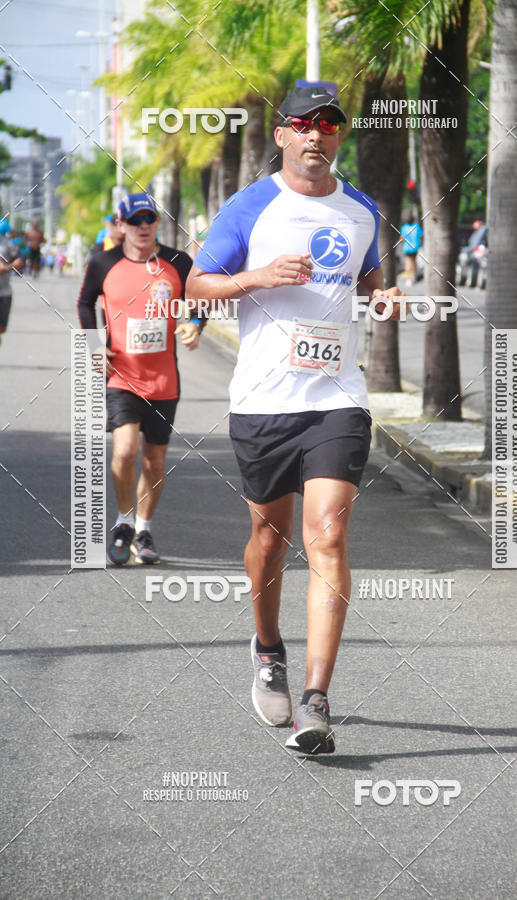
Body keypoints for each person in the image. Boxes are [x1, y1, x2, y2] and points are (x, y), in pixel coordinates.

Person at [186, 86, 402, 755]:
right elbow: (197, 285)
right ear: (281, 134)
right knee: (269, 539)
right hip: (262, 402)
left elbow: (370, 279)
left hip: (336, 398)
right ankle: (268, 645)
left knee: (328, 536)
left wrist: (385, 295)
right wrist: (259, 276)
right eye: (304, 125)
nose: (317, 136)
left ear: (340, 136)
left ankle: (316, 700)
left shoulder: (361, 209)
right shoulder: (252, 205)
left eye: (330, 125)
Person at [77, 192, 206, 566]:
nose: (143, 226)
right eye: (135, 221)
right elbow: (85, 302)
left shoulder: (178, 262)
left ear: (157, 223)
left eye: (149, 219)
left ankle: (144, 529)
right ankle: (123, 522)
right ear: (121, 226)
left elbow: (200, 298)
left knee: (154, 460)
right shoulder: (103, 263)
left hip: (164, 378)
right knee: (124, 451)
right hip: (121, 376)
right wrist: (95, 346)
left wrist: (195, 324)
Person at [0, 220, 24, 345]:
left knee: (2, 328)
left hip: (5, 291)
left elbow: (20, 259)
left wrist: (8, 267)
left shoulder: (7, 244)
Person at [400, 214, 423, 285]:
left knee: (407, 263)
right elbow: (421, 236)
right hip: (415, 247)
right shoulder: (417, 226)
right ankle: (413, 278)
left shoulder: (404, 227)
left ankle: (408, 279)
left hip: (406, 247)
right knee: (413, 262)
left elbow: (402, 238)